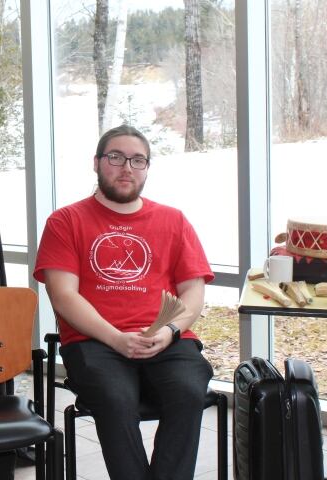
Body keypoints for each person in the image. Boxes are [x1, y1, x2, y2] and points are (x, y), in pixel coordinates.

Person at [33, 125, 213, 480]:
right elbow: (63, 295)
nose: (126, 167)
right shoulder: (65, 221)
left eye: (137, 160)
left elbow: (193, 291)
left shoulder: (173, 220)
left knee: (189, 391)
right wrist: (116, 338)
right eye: (115, 157)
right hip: (95, 341)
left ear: (147, 168)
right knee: (115, 399)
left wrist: (171, 331)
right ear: (97, 163)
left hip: (164, 338)